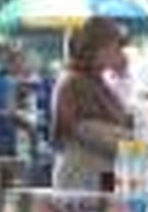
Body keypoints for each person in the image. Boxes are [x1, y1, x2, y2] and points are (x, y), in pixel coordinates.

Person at [51, 17, 134, 191]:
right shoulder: (74, 82)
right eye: (115, 47)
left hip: (104, 176)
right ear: (98, 49)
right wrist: (133, 141)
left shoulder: (98, 82)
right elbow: (87, 130)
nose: (121, 53)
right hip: (82, 178)